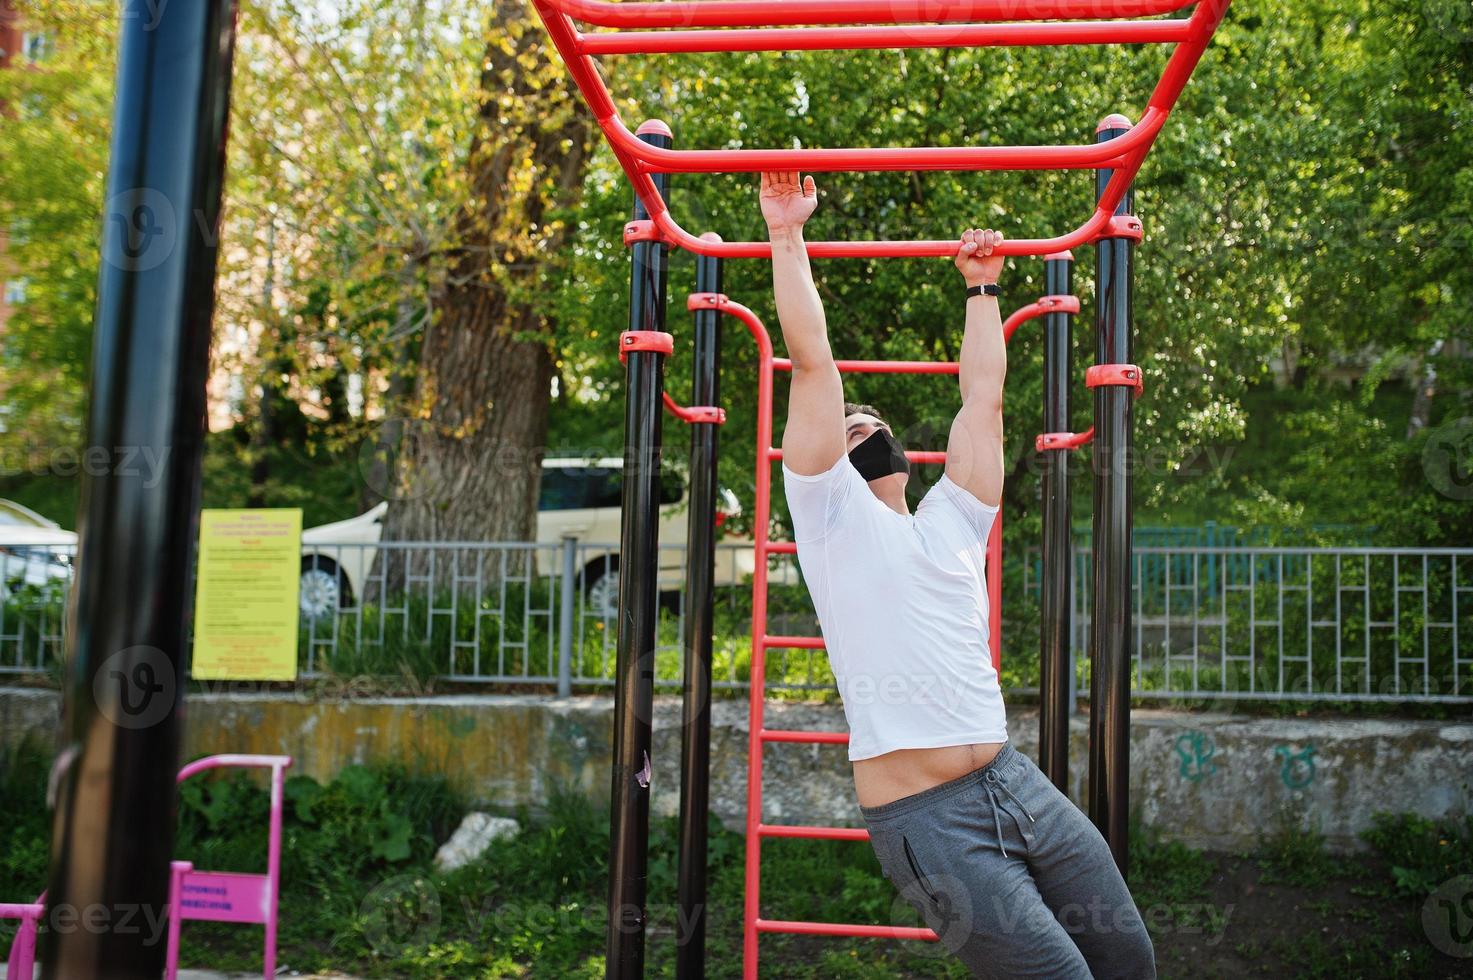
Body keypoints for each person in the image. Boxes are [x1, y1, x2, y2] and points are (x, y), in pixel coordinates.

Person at [762, 170, 1156, 979]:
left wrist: (982, 289)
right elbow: (811, 362)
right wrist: (786, 233)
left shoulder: (954, 521)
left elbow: (983, 400)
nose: (857, 423)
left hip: (1015, 784)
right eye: (846, 426)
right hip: (928, 820)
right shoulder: (829, 517)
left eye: (869, 422)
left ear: (902, 454)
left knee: (1128, 961)